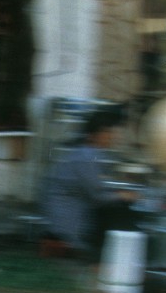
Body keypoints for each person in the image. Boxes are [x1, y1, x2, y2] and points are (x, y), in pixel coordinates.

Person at [42, 106, 135, 256]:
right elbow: (97, 196)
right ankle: (115, 256)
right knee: (121, 211)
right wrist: (123, 195)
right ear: (93, 135)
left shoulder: (90, 154)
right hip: (68, 226)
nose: (111, 136)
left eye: (111, 132)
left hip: (73, 219)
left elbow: (97, 184)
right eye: (107, 132)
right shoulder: (85, 157)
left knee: (118, 208)